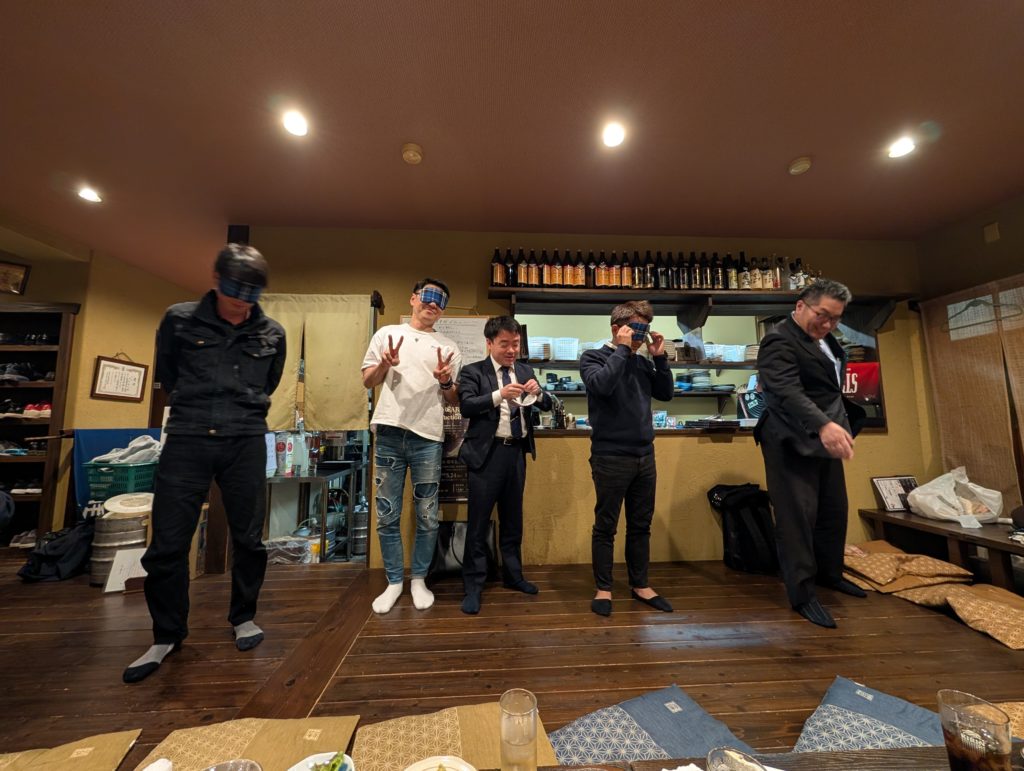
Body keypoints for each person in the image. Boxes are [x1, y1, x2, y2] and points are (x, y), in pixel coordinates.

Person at [124, 243, 286, 683]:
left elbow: (270, 382)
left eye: (252, 293)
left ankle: (244, 617)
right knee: (168, 543)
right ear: (216, 280)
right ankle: (166, 634)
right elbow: (169, 374)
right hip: (188, 437)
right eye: (235, 289)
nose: (242, 300)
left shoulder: (272, 332)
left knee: (249, 538)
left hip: (245, 438)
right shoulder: (179, 319)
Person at [754, 278, 867, 628]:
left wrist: (833, 426)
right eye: (823, 315)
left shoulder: (826, 339)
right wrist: (823, 425)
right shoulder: (779, 339)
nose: (828, 324)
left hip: (826, 436)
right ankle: (803, 594)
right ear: (801, 305)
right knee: (796, 518)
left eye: (836, 318)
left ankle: (830, 574)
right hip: (790, 437)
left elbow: (827, 387)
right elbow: (785, 390)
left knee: (834, 511)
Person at [361, 278, 461, 614]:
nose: (433, 304)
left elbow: (453, 398)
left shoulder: (448, 347)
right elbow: (367, 381)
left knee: (428, 515)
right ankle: (394, 581)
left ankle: (418, 579)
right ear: (413, 298)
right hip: (389, 432)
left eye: (440, 300)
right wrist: (385, 364)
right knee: (386, 513)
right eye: (428, 296)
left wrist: (445, 380)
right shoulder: (387, 334)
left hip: (428, 437)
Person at [580, 300, 675, 617]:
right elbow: (602, 385)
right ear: (616, 328)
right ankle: (603, 588)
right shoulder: (593, 358)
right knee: (606, 526)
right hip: (610, 456)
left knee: (640, 525)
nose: (640, 336)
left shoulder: (642, 362)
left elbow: (665, 393)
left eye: (644, 330)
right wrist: (622, 349)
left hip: (644, 456)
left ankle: (640, 585)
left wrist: (659, 357)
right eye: (635, 329)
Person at [456, 316, 552, 614]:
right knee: (478, 522)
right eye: (504, 344)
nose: (512, 350)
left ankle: (513, 576)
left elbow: (547, 404)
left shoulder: (524, 370)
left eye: (516, 344)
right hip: (486, 455)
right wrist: (500, 395)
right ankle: (473, 585)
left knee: (513, 519)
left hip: (516, 453)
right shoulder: (473, 371)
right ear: (489, 343)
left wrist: (538, 393)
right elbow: (466, 405)